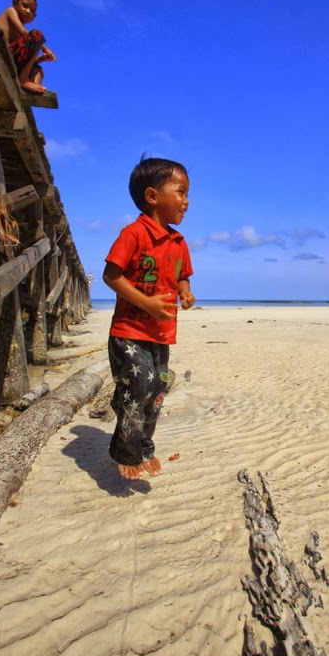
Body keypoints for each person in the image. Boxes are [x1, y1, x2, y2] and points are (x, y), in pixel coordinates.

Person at [103, 157, 195, 480]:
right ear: (153, 196)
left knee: (157, 391)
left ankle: (144, 447)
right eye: (180, 192)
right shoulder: (134, 234)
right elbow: (111, 276)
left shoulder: (179, 243)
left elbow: (182, 276)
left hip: (161, 334)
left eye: (187, 194)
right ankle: (125, 450)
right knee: (139, 385)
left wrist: (185, 292)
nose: (186, 201)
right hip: (128, 331)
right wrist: (147, 304)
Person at [0, 0, 56, 93]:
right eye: (25, 5)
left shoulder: (23, 40)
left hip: (11, 61)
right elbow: (24, 31)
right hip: (1, 55)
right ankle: (24, 80)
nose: (28, 11)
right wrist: (45, 48)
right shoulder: (11, 11)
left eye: (32, 10)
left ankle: (35, 87)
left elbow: (24, 60)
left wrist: (42, 59)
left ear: (34, 16)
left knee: (39, 70)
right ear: (15, 3)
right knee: (36, 34)